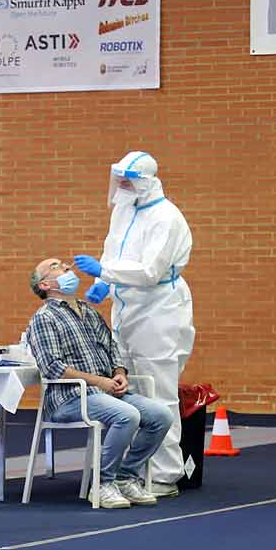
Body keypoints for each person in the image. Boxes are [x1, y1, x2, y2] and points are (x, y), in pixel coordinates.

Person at [74, 151, 194, 497]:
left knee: (160, 391)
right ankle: (131, 470)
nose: (121, 186)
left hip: (160, 310)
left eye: (127, 180)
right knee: (125, 387)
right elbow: (113, 252)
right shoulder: (124, 210)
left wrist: (105, 272)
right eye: (119, 180)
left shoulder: (166, 218)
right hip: (126, 308)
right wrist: (105, 285)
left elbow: (151, 271)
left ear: (144, 180)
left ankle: (165, 474)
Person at [24, 257, 174, 508]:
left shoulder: (89, 311)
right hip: (70, 397)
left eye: (63, 264)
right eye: (55, 267)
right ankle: (103, 484)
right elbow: (53, 367)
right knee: (127, 415)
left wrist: (119, 373)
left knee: (161, 416)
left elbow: (112, 347)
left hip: (106, 392)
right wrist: (99, 382)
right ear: (46, 285)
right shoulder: (44, 318)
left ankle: (126, 477)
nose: (66, 267)